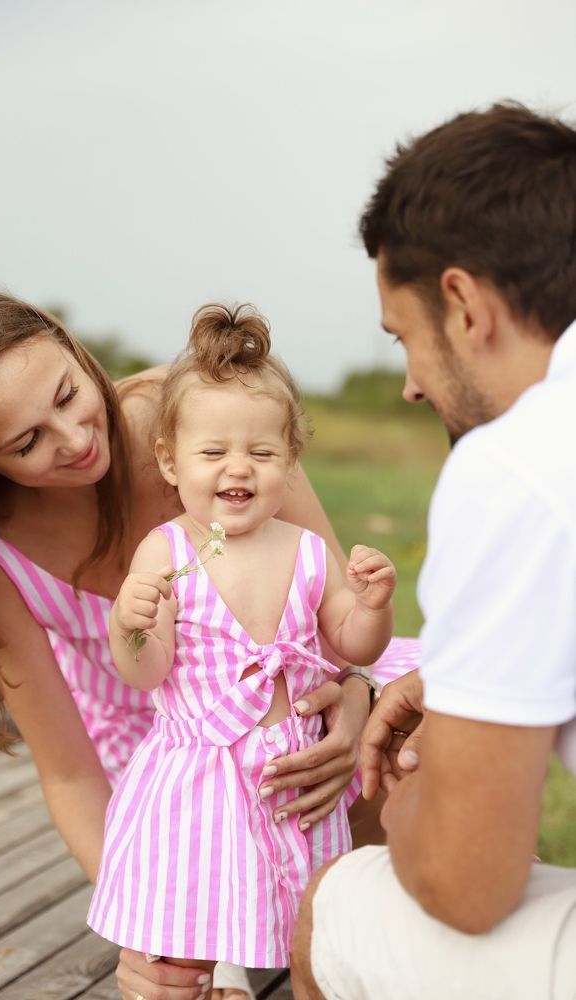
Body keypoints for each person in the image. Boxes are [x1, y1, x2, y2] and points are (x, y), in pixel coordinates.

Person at [0, 286, 419, 1000]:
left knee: (420, 743)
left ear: (75, 350)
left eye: (67, 393)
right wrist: (144, 927)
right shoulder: (0, 567)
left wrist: (361, 699)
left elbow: (336, 622)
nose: (74, 438)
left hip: (302, 710)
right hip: (167, 755)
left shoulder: (215, 419)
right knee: (181, 962)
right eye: (28, 441)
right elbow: (71, 776)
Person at [291, 101, 576, 1000]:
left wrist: (410, 799)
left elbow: (466, 886)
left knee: (334, 903)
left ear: (461, 304)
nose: (411, 384)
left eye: (403, 337)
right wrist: (455, 681)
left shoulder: (517, 461)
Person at [87, 303, 396, 974]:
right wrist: (130, 626)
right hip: (203, 771)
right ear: (170, 462)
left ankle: (313, 975)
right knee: (206, 897)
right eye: (213, 452)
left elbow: (352, 645)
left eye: (261, 452)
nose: (239, 468)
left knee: (303, 907)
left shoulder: (308, 551)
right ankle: (215, 973)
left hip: (290, 767)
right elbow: (147, 672)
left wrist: (374, 605)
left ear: (290, 459)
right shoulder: (165, 551)